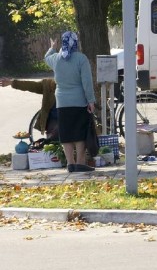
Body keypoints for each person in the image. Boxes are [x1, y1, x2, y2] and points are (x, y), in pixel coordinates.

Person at [43, 32, 96, 172]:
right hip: (79, 101)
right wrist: (91, 100)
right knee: (80, 131)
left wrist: (52, 47)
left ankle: (70, 163)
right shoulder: (81, 59)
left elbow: (46, 57)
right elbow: (87, 82)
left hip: (62, 101)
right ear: (76, 42)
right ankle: (80, 162)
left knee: (66, 133)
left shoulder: (56, 59)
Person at [0, 76, 58, 141]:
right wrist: (12, 83)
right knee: (53, 142)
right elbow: (31, 85)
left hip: (68, 119)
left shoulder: (70, 85)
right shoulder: (49, 84)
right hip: (54, 121)